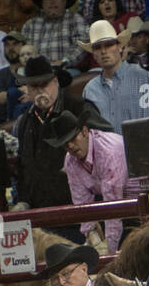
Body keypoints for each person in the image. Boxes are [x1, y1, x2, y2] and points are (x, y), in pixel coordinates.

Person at [45, 108, 136, 253]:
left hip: (139, 201)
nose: (70, 146)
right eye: (65, 144)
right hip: (117, 203)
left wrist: (109, 254)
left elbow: (113, 208)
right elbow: (82, 204)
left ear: (85, 131)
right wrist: (91, 236)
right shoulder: (70, 162)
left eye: (73, 139)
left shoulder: (109, 152)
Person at [13, 56, 79, 230]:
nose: (41, 91)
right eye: (34, 87)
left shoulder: (78, 109)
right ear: (27, 89)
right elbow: (22, 165)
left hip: (75, 211)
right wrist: (23, 200)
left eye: (45, 84)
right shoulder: (24, 121)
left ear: (56, 82)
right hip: (38, 215)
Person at [80, 20, 149, 134]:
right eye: (97, 47)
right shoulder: (90, 90)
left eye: (109, 44)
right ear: (94, 54)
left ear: (120, 47)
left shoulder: (144, 77)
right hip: (107, 150)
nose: (104, 51)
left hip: (142, 146)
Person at [23, 0, 85, 73]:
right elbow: (24, 51)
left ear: (64, 2)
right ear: (42, 4)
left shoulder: (75, 19)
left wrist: (64, 62)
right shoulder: (30, 25)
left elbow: (81, 46)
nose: (52, 2)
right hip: (37, 72)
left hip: (66, 69)